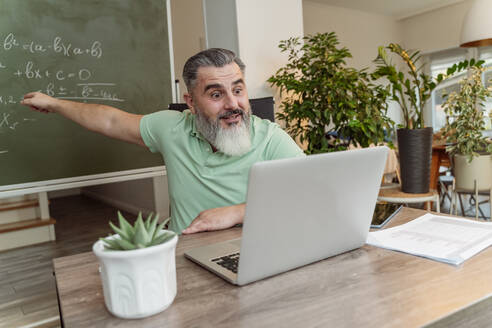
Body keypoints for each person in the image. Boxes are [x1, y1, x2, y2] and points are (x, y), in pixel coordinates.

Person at [21, 48, 304, 234]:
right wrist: (55, 104)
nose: (234, 104)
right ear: (191, 103)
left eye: (238, 90)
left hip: (249, 251)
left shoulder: (271, 138)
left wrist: (237, 213)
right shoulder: (171, 128)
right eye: (216, 95)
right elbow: (109, 120)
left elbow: (312, 193)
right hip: (184, 254)